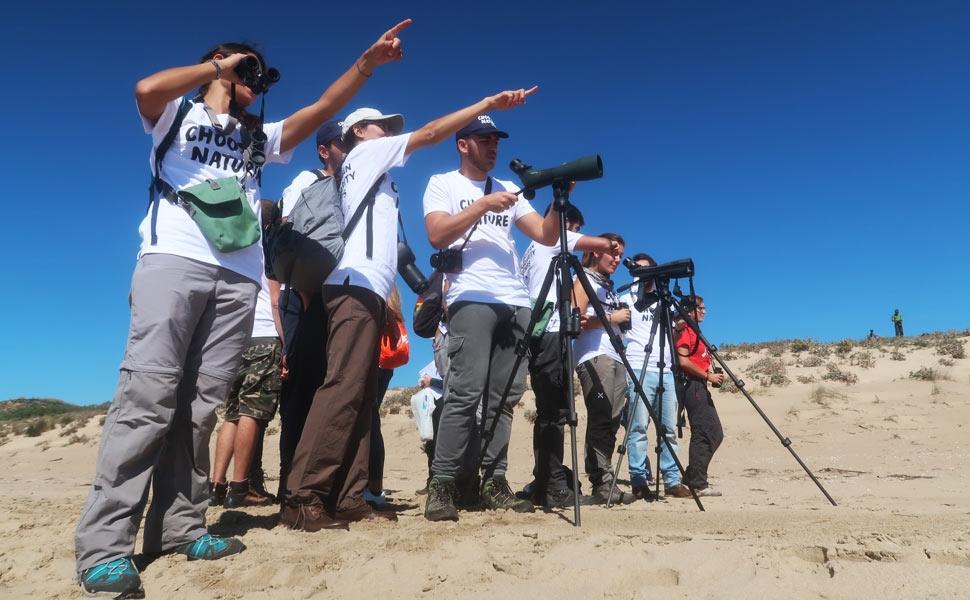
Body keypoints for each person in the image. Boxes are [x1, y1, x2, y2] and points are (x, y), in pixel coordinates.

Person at [74, 23, 410, 597]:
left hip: (238, 278)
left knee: (201, 408)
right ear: (218, 61)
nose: (255, 78)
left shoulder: (259, 136)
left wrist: (367, 64)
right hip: (173, 259)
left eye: (258, 72)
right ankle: (105, 546)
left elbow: (323, 108)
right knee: (148, 395)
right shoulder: (177, 114)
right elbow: (145, 89)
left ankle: (181, 528)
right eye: (246, 67)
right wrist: (219, 69)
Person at [281, 87, 539, 531]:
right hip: (353, 284)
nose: (388, 132)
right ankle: (303, 495)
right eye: (380, 126)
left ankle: (349, 495)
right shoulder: (365, 156)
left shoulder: (378, 174)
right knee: (342, 388)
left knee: (361, 395)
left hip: (371, 289)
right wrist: (485, 105)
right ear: (358, 132)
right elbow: (432, 133)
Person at [421, 114, 563, 522]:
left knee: (505, 399)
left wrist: (558, 200)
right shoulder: (442, 184)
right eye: (484, 140)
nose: (493, 147)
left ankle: (494, 481)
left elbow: (546, 235)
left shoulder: (508, 188)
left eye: (496, 140)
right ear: (463, 144)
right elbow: (437, 234)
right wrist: (483, 204)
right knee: (464, 393)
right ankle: (443, 484)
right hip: (471, 295)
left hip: (515, 300)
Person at [519, 204, 620, 507]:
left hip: (537, 329)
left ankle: (545, 481)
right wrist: (609, 245)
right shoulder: (549, 239)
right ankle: (553, 486)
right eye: (572, 227)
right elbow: (592, 244)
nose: (574, 234)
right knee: (554, 412)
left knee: (549, 411)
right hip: (551, 330)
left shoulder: (531, 250)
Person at [275, 120, 347, 502]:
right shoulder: (306, 180)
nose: (349, 150)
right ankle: (291, 483)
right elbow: (290, 234)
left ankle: (326, 483)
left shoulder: (354, 188)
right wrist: (305, 294)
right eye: (342, 144)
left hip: (335, 295)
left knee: (333, 386)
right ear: (324, 150)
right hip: (305, 298)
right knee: (301, 392)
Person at [210, 202, 285, 508]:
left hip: (235, 338)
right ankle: (240, 486)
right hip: (264, 335)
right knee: (252, 411)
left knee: (231, 414)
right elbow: (276, 301)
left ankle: (216, 484)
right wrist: (286, 342)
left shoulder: (237, 250)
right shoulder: (270, 252)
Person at [572, 233, 637, 504]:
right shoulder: (583, 279)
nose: (618, 259)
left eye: (621, 255)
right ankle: (601, 482)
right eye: (614, 253)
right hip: (594, 355)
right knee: (601, 417)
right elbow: (576, 319)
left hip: (616, 355)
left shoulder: (607, 287)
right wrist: (612, 317)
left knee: (612, 419)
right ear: (596, 251)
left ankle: (605, 477)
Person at [622, 253, 683, 500]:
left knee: (668, 428)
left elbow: (674, 331)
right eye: (637, 269)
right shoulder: (625, 298)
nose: (641, 273)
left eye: (646, 269)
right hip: (638, 366)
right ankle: (639, 479)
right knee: (638, 427)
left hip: (665, 369)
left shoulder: (664, 300)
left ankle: (672, 480)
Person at [673, 295, 725, 497]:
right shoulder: (685, 330)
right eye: (700, 308)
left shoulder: (694, 330)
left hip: (699, 384)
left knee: (714, 432)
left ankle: (692, 476)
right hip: (692, 385)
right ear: (689, 309)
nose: (704, 311)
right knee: (704, 431)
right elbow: (683, 361)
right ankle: (698, 482)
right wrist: (708, 375)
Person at [366, 286, 409, 508]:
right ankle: (373, 486)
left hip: (372, 358)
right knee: (372, 419)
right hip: (386, 363)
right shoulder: (392, 292)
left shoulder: (372, 286)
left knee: (369, 420)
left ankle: (373, 488)